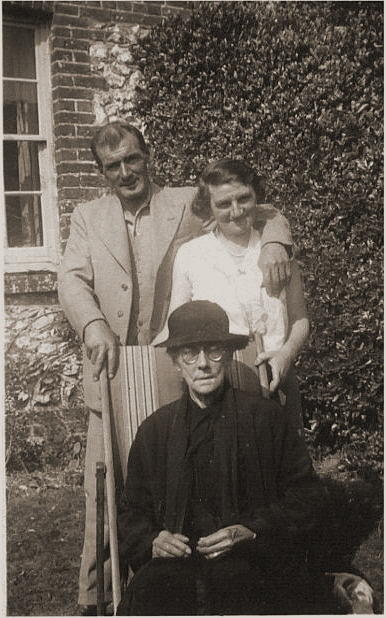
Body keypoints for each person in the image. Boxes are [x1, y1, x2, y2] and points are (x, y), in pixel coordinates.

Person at [57, 121, 294, 614]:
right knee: (103, 483)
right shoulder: (86, 216)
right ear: (102, 173)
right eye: (113, 166)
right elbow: (71, 280)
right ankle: (97, 597)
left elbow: (257, 208)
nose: (125, 172)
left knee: (193, 463)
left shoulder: (186, 201)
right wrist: (93, 323)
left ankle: (214, 569)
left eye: (132, 159)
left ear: (148, 156)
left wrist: (276, 242)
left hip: (177, 359)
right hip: (113, 365)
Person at [117, 300, 323, 615]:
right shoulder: (154, 431)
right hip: (174, 569)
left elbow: (307, 496)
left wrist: (253, 530)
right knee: (148, 596)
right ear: (176, 362)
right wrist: (154, 540)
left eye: (213, 351)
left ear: (227, 356)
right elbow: (130, 513)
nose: (203, 364)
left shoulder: (264, 419)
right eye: (190, 353)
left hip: (250, 562)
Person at [154, 158, 309, 434]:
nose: (236, 211)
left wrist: (285, 355)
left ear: (256, 197)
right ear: (209, 209)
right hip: (219, 385)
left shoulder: (279, 251)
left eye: (243, 199)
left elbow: (300, 320)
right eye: (223, 204)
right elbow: (174, 324)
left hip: (277, 379)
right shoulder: (192, 255)